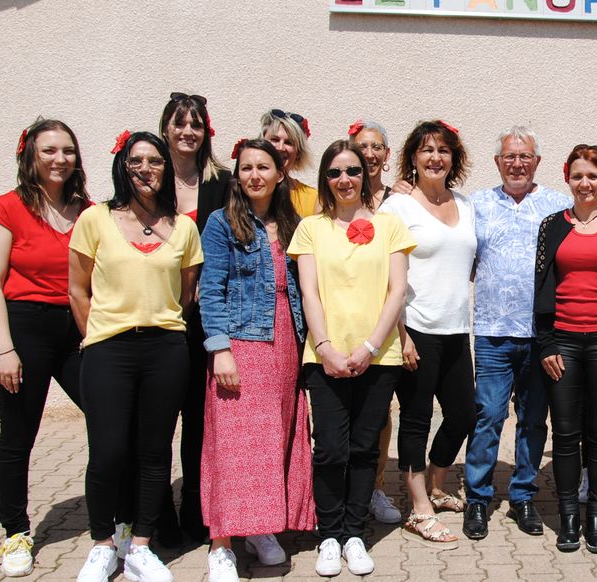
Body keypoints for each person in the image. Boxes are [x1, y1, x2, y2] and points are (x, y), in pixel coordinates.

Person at [69, 131, 203, 582]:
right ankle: (103, 544)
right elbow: (78, 290)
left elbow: (186, 294)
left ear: (167, 169)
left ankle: (141, 546)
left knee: (154, 451)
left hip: (166, 348)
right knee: (107, 451)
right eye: (137, 161)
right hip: (109, 349)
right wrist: (96, 337)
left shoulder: (183, 227)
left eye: (155, 161)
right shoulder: (95, 219)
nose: (146, 169)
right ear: (123, 166)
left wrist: (159, 323)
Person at [289, 140, 414, 577]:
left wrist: (369, 347)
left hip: (378, 358)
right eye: (335, 172)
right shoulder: (310, 228)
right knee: (329, 449)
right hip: (324, 357)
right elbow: (308, 292)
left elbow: (397, 291)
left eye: (353, 171)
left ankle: (355, 534)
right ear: (325, 179)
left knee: (364, 449)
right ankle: (329, 534)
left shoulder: (391, 226)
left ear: (366, 175)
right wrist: (325, 347)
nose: (345, 180)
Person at [197, 139, 314, 580]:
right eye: (246, 168)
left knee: (273, 439)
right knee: (234, 443)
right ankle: (222, 543)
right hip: (242, 341)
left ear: (280, 174)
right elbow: (211, 289)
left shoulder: (292, 222)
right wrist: (220, 349)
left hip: (286, 340)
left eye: (263, 167)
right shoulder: (221, 222)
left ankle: (260, 528)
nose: (254, 175)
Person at [0, 119, 90, 577]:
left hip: (76, 329)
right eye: (49, 150)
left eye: (67, 150)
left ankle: (119, 517)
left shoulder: (87, 211)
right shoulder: (5, 209)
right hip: (23, 329)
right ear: (30, 155)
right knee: (18, 435)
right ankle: (16, 532)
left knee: (110, 417)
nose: (60, 159)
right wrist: (4, 348)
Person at [463, 126, 571, 539]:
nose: (517, 163)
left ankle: (523, 495)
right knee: (488, 417)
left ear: (537, 162)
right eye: (509, 156)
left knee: (533, 420)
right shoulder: (477, 204)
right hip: (492, 331)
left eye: (525, 156)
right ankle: (478, 497)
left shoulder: (557, 205)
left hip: (541, 335)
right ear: (497, 162)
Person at [378, 120, 477, 544]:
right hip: (415, 328)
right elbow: (384, 276)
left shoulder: (465, 204)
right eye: (426, 150)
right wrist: (400, 334)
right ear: (413, 158)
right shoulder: (397, 208)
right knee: (416, 419)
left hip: (456, 329)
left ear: (454, 158)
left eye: (443, 150)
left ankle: (436, 483)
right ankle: (418, 507)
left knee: (464, 413)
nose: (435, 157)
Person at [535, 145, 597, 553]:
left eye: (593, 176)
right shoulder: (552, 225)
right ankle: (569, 518)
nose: (585, 183)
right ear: (568, 179)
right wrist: (545, 343)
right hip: (563, 342)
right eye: (577, 176)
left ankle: (596, 517)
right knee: (564, 433)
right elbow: (541, 284)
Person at [157, 91, 232, 544]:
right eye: (180, 123)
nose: (188, 131)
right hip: (160, 313)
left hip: (207, 317)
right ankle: (158, 513)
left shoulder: (221, 182)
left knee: (199, 420)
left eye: (196, 124)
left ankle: (196, 508)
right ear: (166, 127)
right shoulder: (149, 176)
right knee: (160, 418)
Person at [349, 118, 403, 525]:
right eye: (362, 146)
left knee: (379, 412)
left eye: (376, 147)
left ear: (387, 155)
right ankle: (341, 486)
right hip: (346, 313)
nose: (369, 154)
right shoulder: (335, 194)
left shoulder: (400, 199)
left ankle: (375, 487)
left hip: (389, 314)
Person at [260, 109, 317, 216]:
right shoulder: (245, 190)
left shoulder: (313, 199)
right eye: (275, 139)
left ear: (298, 152)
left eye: (288, 142)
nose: (280, 147)